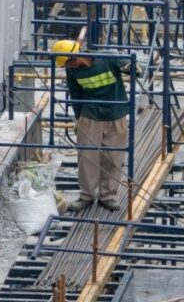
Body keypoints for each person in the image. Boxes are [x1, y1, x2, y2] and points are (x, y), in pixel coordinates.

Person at [51, 40, 130, 212]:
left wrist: (130, 66)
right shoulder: (72, 70)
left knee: (114, 156)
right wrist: (78, 119)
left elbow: (129, 65)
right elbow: (75, 94)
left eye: (68, 62)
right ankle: (86, 196)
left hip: (116, 113)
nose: (68, 66)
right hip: (90, 115)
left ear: (76, 55)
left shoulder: (108, 58)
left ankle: (108, 196)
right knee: (87, 157)